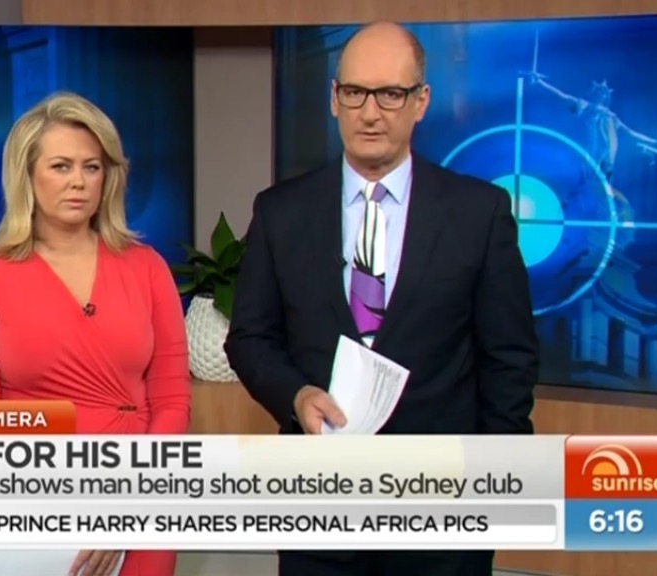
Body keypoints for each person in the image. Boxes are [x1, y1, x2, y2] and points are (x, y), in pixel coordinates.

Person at [224, 22, 539, 576]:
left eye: (391, 94)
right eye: (355, 92)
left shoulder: (479, 213)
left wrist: (493, 488)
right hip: (319, 512)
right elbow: (250, 339)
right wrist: (296, 395)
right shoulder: (280, 213)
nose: (370, 113)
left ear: (421, 101)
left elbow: (508, 359)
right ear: (334, 99)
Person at [0, 92, 190, 576]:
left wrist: (127, 506)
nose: (78, 181)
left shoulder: (147, 269)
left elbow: (172, 400)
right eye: (60, 166)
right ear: (27, 175)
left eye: (91, 167)